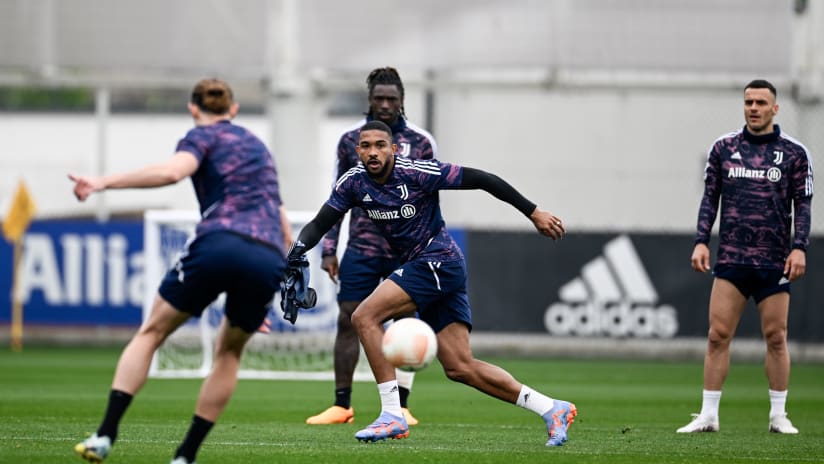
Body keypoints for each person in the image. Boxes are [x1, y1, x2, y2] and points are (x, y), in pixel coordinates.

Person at [287, 120, 577, 446]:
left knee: (363, 317)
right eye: (365, 146)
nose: (373, 152)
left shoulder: (417, 172)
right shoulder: (353, 183)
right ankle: (552, 408)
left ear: (394, 149)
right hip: (433, 267)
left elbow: (483, 179)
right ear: (358, 151)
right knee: (459, 367)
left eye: (380, 145)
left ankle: (392, 416)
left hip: (438, 261)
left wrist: (533, 212)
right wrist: (297, 250)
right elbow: (319, 223)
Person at [70, 78, 293, 463]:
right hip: (267, 255)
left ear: (193, 109)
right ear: (234, 109)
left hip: (219, 241)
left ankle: (105, 434)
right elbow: (279, 214)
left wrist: (103, 182)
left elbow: (173, 172)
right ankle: (185, 456)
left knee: (152, 331)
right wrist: (277, 280)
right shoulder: (258, 147)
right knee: (229, 353)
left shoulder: (202, 137)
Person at [677, 79, 814, 434]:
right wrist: (701, 241)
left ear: (775, 108)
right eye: (748, 102)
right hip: (732, 259)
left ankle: (778, 415)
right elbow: (710, 199)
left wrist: (800, 247)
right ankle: (708, 415)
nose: (753, 108)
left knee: (776, 336)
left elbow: (804, 206)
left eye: (761, 102)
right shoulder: (724, 148)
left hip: (774, 261)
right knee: (717, 336)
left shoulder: (794, 153)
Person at [306, 67, 437, 426]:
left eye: (391, 99)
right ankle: (341, 405)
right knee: (348, 319)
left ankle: (402, 405)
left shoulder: (422, 142)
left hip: (406, 249)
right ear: (369, 100)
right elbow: (338, 195)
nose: (384, 104)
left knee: (404, 322)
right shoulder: (351, 141)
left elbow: (432, 195)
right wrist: (329, 247)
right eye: (378, 98)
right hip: (363, 245)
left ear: (402, 101)